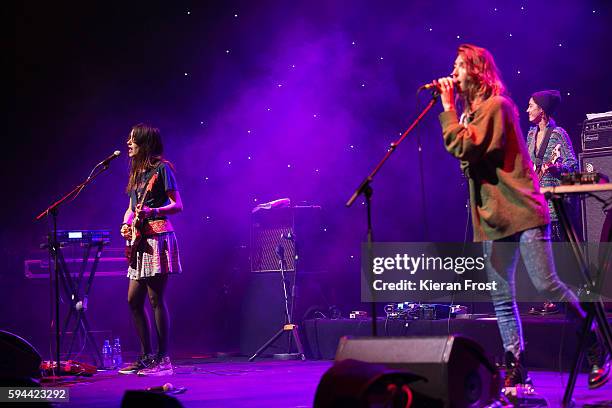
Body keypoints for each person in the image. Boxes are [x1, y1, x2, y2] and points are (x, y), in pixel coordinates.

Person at [434, 44, 609, 391]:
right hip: (492, 216)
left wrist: (446, 109)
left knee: (546, 284)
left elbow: (462, 148)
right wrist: (457, 116)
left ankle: (594, 342)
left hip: (523, 211)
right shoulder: (471, 116)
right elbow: (466, 159)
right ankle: (517, 368)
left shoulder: (498, 107)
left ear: (477, 70)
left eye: (459, 65)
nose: (453, 70)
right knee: (501, 297)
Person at [118, 123, 183, 376]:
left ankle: (163, 359)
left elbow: (177, 205)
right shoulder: (136, 173)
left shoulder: (163, 169)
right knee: (133, 300)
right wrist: (125, 224)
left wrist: (153, 211)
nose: (128, 143)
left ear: (144, 143)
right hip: (139, 240)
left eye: (133, 139)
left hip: (158, 237)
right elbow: (130, 208)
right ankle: (145, 357)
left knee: (156, 298)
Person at [526, 90, 578, 242]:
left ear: (541, 109)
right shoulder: (530, 135)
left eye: (530, 106)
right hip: (535, 209)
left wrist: (558, 169)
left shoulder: (558, 134)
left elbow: (573, 168)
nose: (527, 110)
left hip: (554, 210)